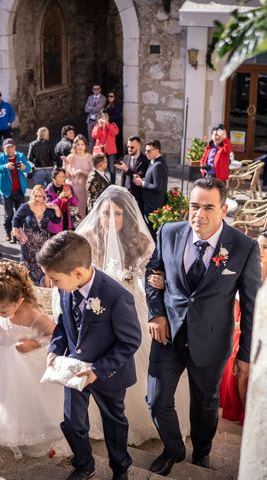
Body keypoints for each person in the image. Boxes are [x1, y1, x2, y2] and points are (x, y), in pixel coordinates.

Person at [145, 177, 261, 476]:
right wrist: (156, 314)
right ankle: (173, 449)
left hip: (211, 341)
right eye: (195, 206)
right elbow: (152, 273)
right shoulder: (168, 233)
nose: (200, 214)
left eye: (208, 207)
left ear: (223, 210)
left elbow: (252, 307)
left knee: (205, 406)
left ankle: (202, 454)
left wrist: (245, 357)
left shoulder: (243, 247)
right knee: (156, 400)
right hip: (168, 335)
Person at [74, 185, 191, 447]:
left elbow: (154, 272)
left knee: (136, 358)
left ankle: (143, 418)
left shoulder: (139, 239)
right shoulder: (89, 237)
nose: (111, 219)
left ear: (126, 215)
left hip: (131, 305)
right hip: (97, 308)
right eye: (106, 214)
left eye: (117, 214)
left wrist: (155, 281)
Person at [37, 231, 141, 480]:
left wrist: (98, 370)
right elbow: (63, 323)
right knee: (72, 422)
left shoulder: (117, 297)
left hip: (108, 374)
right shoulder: (66, 288)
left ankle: (120, 469)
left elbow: (130, 341)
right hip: (73, 370)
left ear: (78, 274)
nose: (51, 284)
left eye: (55, 279)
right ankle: (84, 464)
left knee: (114, 422)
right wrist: (54, 349)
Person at [0, 261, 64, 459]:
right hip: (3, 359)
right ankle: (8, 432)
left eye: (3, 311)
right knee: (2, 398)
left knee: (28, 400)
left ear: (19, 301)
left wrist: (34, 344)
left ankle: (31, 434)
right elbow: (1, 319)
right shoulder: (3, 308)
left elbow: (54, 333)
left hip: (30, 362)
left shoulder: (34, 315)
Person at [219, 228, 267, 424]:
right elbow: (234, 309)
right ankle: (247, 413)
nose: (259, 250)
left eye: (265, 247)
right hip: (243, 328)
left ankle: (257, 412)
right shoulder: (246, 271)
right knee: (239, 364)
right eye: (257, 245)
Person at [12, 185, 61, 285]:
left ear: (44, 197)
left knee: (45, 266)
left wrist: (56, 208)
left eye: (40, 196)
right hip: (28, 244)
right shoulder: (25, 207)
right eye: (35, 196)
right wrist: (15, 230)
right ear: (32, 195)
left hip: (43, 243)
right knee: (27, 268)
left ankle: (47, 292)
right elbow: (15, 220)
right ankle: (27, 289)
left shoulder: (48, 208)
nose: (37, 198)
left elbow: (57, 220)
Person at [0, 138, 32, 244]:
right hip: (7, 191)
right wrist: (5, 166)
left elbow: (29, 169)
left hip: (19, 190)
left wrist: (24, 167)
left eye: (11, 147)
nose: (9, 149)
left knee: (20, 213)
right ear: (3, 149)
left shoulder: (20, 156)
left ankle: (18, 232)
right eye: (7, 147)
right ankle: (8, 231)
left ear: (14, 148)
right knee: (9, 214)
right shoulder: (1, 158)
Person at [133, 140, 168, 237]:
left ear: (156, 150)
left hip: (153, 205)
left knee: (152, 233)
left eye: (149, 151)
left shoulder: (159, 165)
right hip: (149, 203)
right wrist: (143, 179)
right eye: (145, 150)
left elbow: (157, 186)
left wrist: (142, 183)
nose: (145, 153)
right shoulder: (153, 162)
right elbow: (152, 179)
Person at [115, 136, 148, 214]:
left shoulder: (145, 160)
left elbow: (140, 176)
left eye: (132, 147)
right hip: (127, 193)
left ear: (139, 146)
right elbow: (123, 176)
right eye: (128, 147)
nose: (129, 149)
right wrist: (121, 190)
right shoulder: (126, 157)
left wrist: (127, 170)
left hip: (138, 196)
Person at [65, 134, 93, 219]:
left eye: (82, 144)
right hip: (71, 189)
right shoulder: (70, 157)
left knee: (81, 213)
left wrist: (81, 171)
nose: (80, 146)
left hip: (84, 189)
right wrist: (66, 168)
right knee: (72, 213)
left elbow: (93, 174)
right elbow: (65, 176)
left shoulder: (89, 157)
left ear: (85, 146)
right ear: (74, 145)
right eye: (78, 144)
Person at [46, 167, 79, 233]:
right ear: (53, 178)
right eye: (59, 177)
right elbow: (49, 206)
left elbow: (76, 203)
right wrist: (59, 198)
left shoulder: (68, 187)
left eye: (63, 176)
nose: (62, 179)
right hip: (56, 222)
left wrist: (70, 196)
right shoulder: (49, 190)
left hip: (68, 220)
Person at [91, 110, 119, 184]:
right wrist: (99, 127)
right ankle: (101, 183)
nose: (103, 119)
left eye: (105, 117)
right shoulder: (97, 126)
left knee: (111, 169)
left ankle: (113, 183)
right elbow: (94, 136)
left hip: (110, 151)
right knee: (100, 167)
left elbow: (115, 132)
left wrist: (108, 125)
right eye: (102, 117)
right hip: (100, 150)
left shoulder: (112, 125)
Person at [105, 91, 123, 156]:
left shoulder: (117, 105)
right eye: (108, 96)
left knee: (117, 141)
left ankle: (118, 155)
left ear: (115, 97)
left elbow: (117, 115)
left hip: (115, 125)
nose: (110, 98)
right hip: (109, 125)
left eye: (111, 96)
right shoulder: (107, 104)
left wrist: (108, 118)